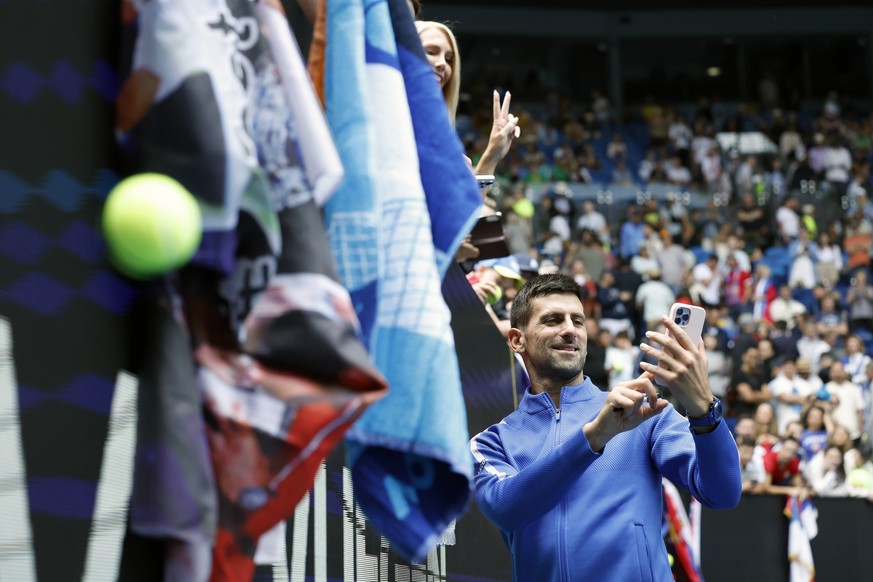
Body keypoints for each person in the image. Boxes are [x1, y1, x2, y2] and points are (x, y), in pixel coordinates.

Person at [469, 274, 740, 581]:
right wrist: (594, 436)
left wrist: (704, 408)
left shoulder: (642, 412)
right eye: (553, 320)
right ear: (518, 339)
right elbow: (505, 509)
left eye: (578, 321)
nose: (570, 329)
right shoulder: (493, 441)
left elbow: (723, 492)